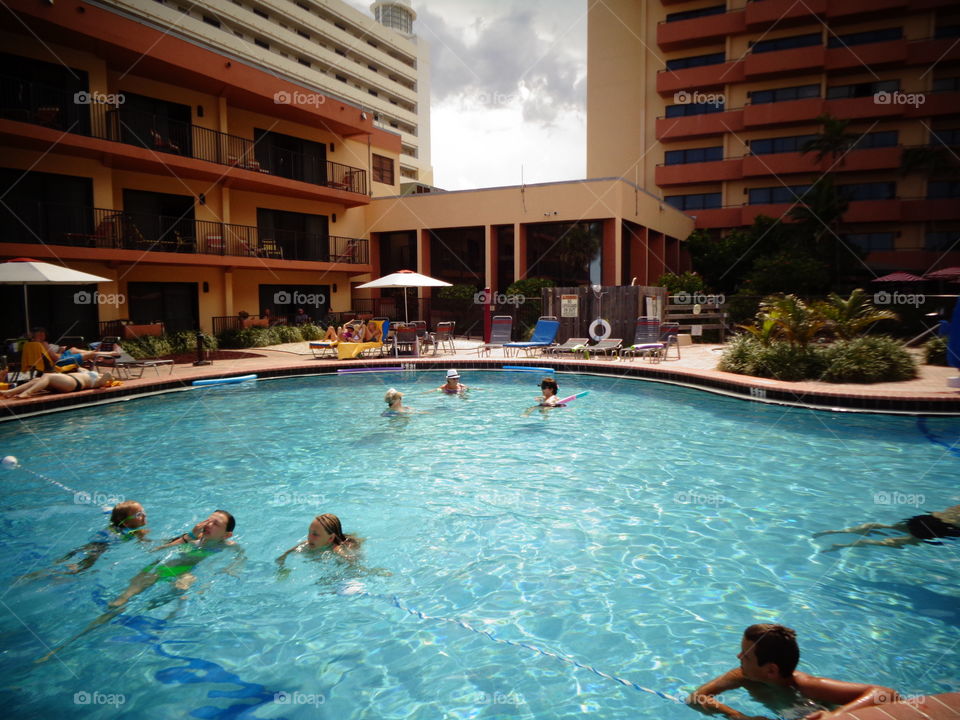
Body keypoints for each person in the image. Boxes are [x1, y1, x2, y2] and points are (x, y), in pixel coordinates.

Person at [688, 623, 899, 720]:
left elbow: (886, 694)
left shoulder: (805, 686)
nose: (738, 658)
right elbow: (695, 698)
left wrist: (834, 716)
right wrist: (737, 716)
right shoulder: (742, 676)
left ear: (771, 670)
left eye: (746, 655)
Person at [814, 504, 960, 551]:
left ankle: (838, 531)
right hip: (942, 527)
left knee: (888, 527)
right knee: (904, 541)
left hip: (927, 518)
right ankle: (844, 545)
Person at [276, 513, 360, 566]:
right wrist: (282, 565)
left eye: (315, 534)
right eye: (310, 532)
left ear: (330, 538)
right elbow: (286, 554)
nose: (309, 537)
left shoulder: (337, 550)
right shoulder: (306, 544)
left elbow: (353, 562)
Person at [1, 370, 116, 399]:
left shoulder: (99, 380)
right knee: (36, 380)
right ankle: (9, 392)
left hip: (73, 383)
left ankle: (27, 393)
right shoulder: (94, 374)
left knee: (47, 376)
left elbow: (107, 376)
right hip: (67, 380)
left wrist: (109, 377)